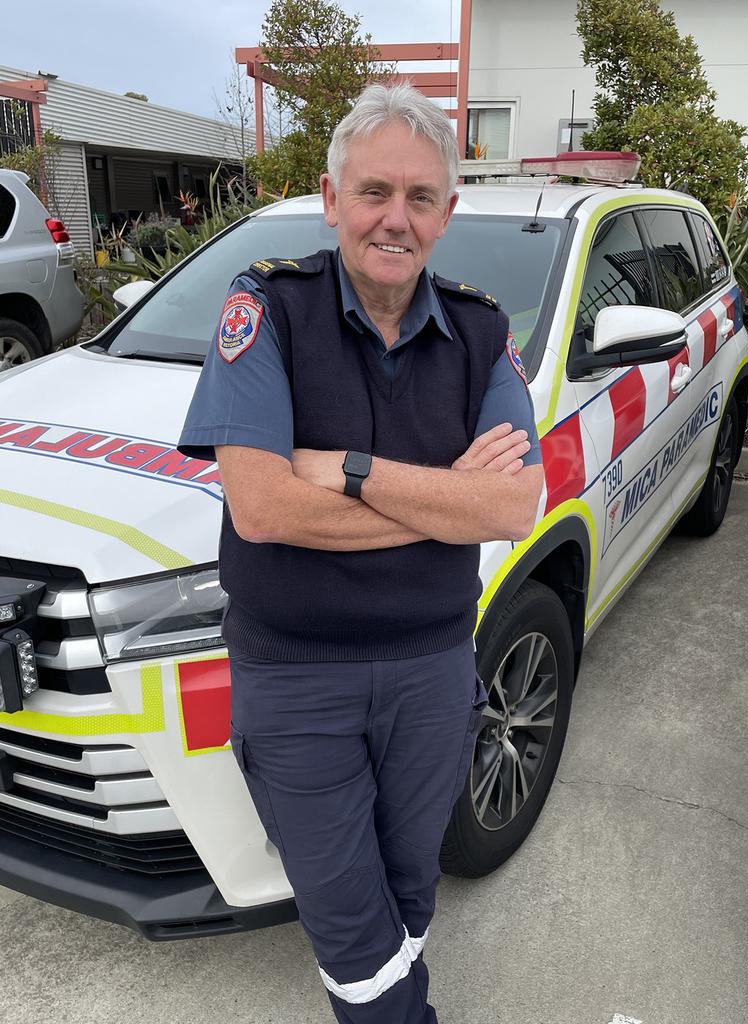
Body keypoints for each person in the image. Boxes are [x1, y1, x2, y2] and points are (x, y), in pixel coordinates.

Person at [177, 82, 544, 1024]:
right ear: (332, 199)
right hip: (298, 680)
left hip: (431, 670)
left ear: (446, 214)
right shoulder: (269, 305)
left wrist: (343, 468)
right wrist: (444, 500)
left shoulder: (478, 329)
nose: (396, 218)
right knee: (350, 920)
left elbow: (514, 501)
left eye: (421, 198)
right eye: (374, 192)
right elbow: (260, 509)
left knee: (410, 890)